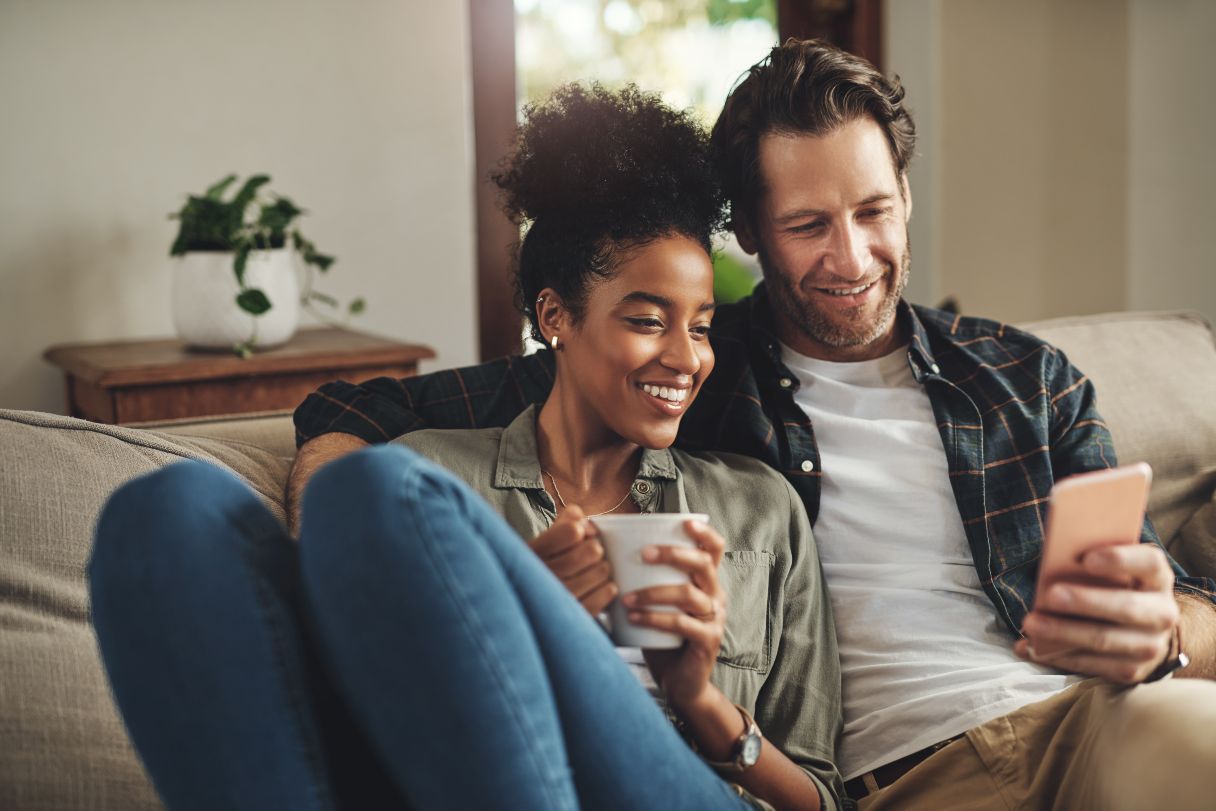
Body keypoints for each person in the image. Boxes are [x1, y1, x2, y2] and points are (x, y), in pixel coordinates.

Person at [290, 40, 1216, 810]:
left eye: (873, 211)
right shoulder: (694, 370)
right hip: (913, 777)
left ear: (905, 192)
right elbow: (361, 412)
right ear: (750, 233)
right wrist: (322, 541)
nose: (850, 257)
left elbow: (1184, 609)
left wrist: (1162, 631)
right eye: (809, 224)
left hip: (1093, 722)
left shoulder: (1025, 378)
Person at [89, 84, 844, 811]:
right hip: (464, 776)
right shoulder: (439, 480)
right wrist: (522, 611)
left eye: (702, 325)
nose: (687, 358)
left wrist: (701, 699)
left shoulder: (759, 508)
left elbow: (821, 798)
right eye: (648, 321)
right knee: (165, 508)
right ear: (555, 315)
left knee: (374, 488)